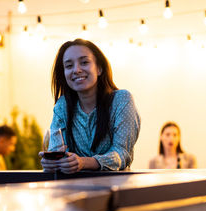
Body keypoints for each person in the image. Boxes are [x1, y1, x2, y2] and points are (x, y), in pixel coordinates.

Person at [39, 38, 141, 174]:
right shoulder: (62, 106)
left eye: (84, 62)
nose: (76, 70)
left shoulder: (122, 99)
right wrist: (51, 164)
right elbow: (56, 150)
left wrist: (83, 162)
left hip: (114, 186)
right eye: (69, 66)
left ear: (99, 68)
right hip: (72, 189)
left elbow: (122, 154)